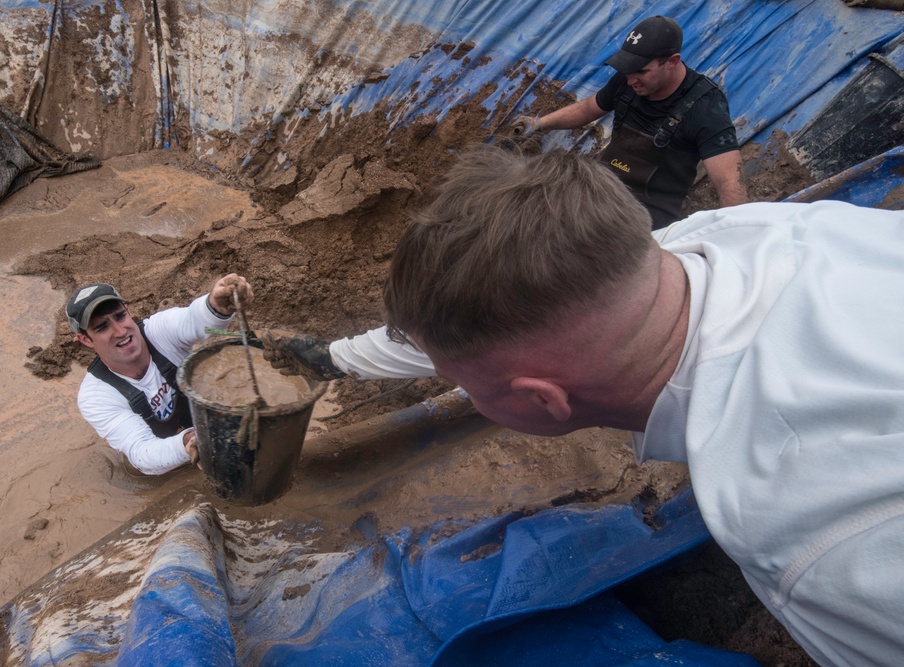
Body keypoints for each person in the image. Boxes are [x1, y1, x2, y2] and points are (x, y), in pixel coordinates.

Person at [357, 143, 901, 667]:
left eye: (462, 383)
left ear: (543, 401)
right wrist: (336, 357)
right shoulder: (734, 235)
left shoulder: (815, 535)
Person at [511, 15, 748, 229]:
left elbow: (729, 181)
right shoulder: (628, 81)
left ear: (672, 61)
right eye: (627, 70)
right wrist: (539, 123)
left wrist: (734, 237)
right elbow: (587, 108)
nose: (631, 79)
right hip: (603, 192)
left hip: (647, 219)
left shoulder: (705, 106)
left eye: (642, 71)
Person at [67, 274, 253, 475]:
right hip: (168, 461)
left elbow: (196, 321)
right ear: (85, 339)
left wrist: (217, 306)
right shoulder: (95, 397)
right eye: (102, 327)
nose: (120, 331)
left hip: (208, 429)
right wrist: (188, 441)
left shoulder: (159, 331)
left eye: (120, 316)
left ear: (128, 311)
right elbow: (142, 454)